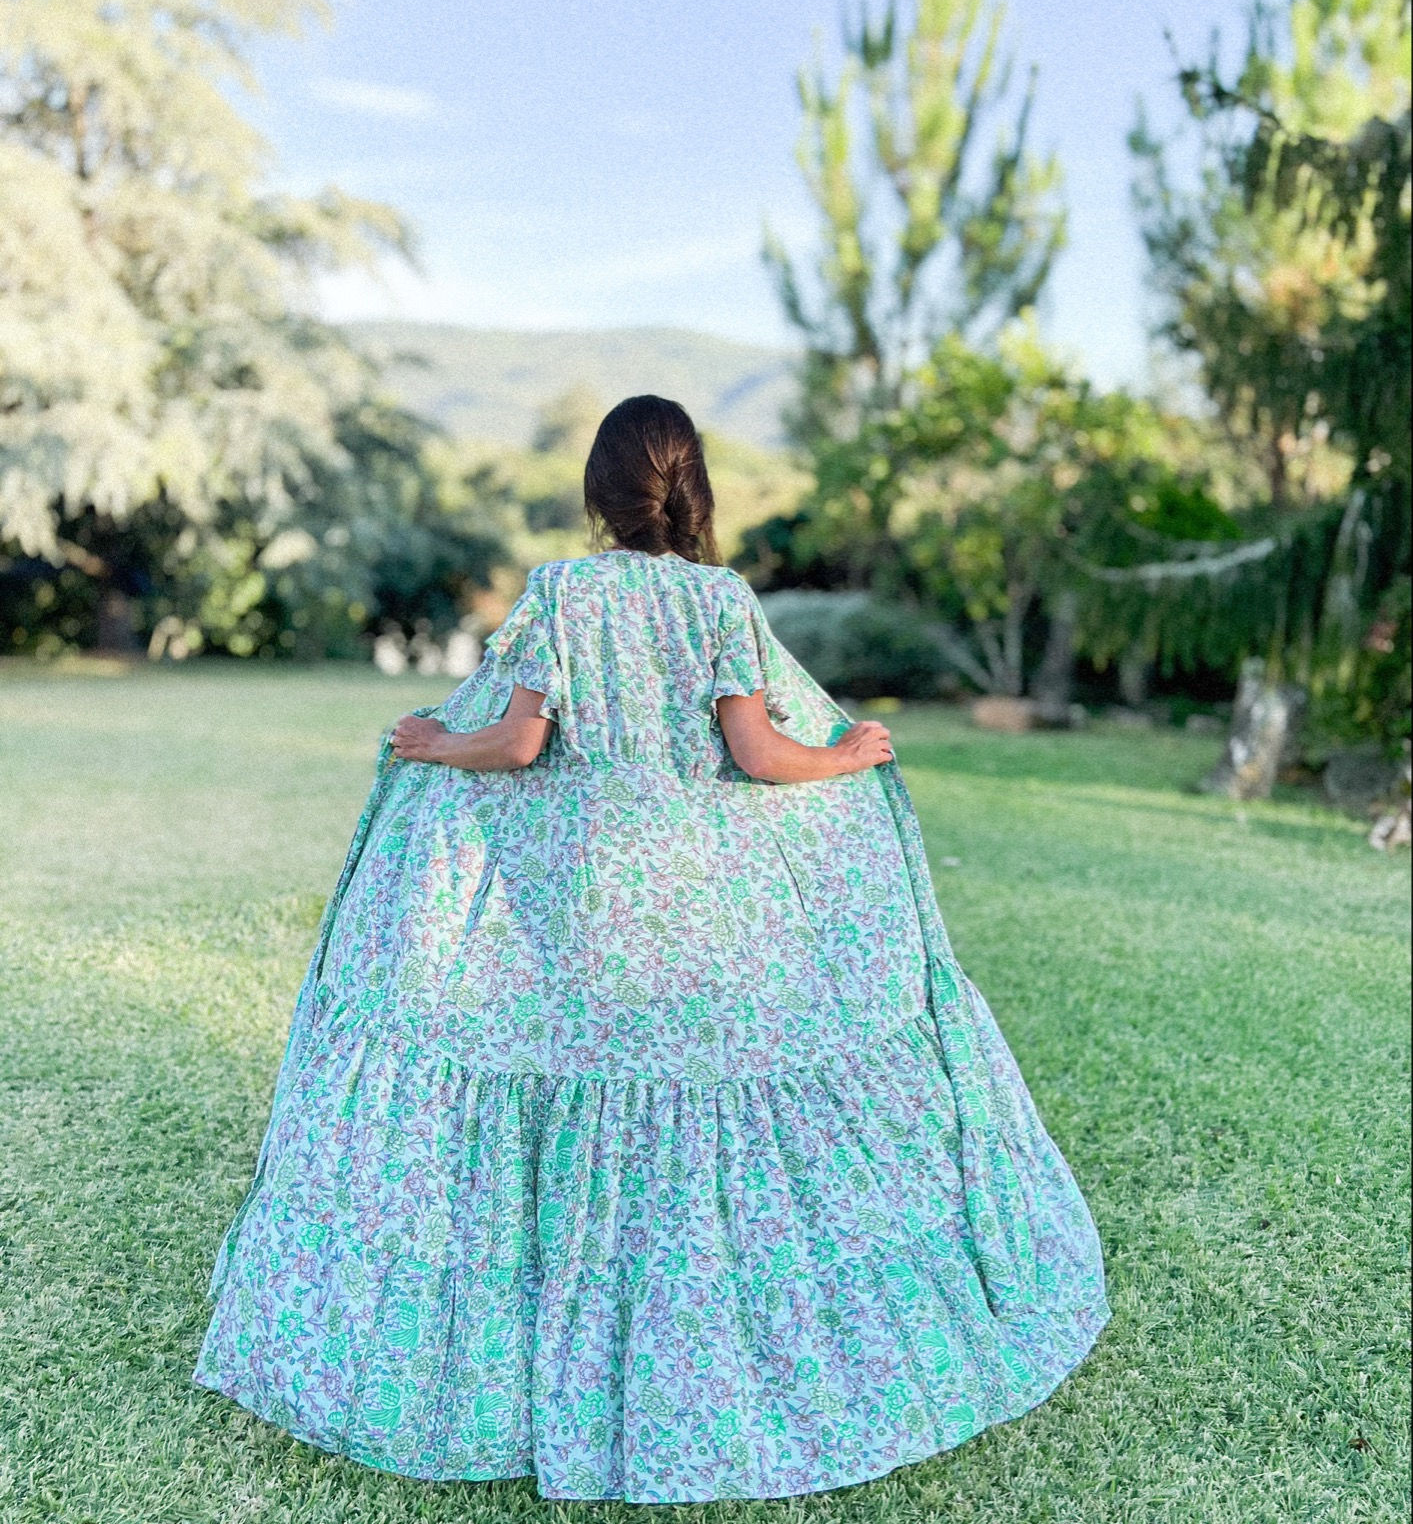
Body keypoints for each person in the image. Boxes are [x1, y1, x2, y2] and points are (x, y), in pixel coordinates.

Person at [193, 394, 1110, 1504]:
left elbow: (522, 742)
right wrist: (850, 757)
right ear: (694, 491)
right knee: (693, 1103)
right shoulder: (720, 599)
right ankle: (693, 1373)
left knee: (562, 1094)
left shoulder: (563, 592)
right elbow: (759, 755)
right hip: (694, 929)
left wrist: (437, 741)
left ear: (599, 493)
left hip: (574, 919)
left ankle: (521, 1379)